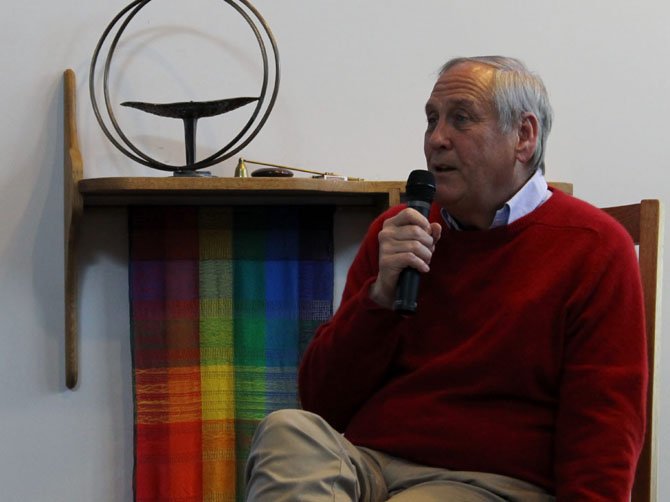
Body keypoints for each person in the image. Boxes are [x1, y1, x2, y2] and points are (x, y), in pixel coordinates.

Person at [244, 56, 647, 501]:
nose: (437, 139)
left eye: (461, 119)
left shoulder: (593, 247)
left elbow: (604, 427)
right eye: (432, 120)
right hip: (368, 463)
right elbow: (322, 400)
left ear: (524, 137)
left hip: (485, 482)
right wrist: (378, 297)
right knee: (287, 431)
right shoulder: (399, 230)